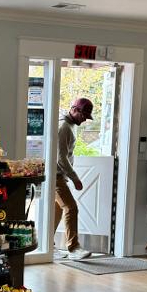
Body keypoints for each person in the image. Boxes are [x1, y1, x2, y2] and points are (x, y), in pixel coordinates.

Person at [54, 97, 93, 260]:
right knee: (71, 207)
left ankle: (48, 245)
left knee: (57, 210)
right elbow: (60, 158)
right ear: (74, 110)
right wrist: (75, 178)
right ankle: (74, 248)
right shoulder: (64, 127)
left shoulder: (69, 125)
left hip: (59, 176)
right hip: (56, 176)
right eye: (83, 115)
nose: (84, 119)